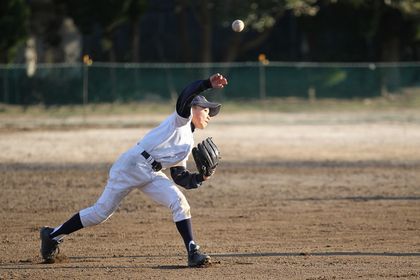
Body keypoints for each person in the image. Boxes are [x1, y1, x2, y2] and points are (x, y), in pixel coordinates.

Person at [40, 73, 228, 267]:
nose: (209, 116)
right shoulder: (180, 119)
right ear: (193, 108)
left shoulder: (187, 144)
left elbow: (179, 176)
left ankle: (192, 251)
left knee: (179, 202)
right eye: (206, 110)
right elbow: (186, 95)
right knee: (100, 213)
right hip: (132, 165)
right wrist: (207, 84)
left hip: (152, 173)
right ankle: (52, 235)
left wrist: (202, 177)